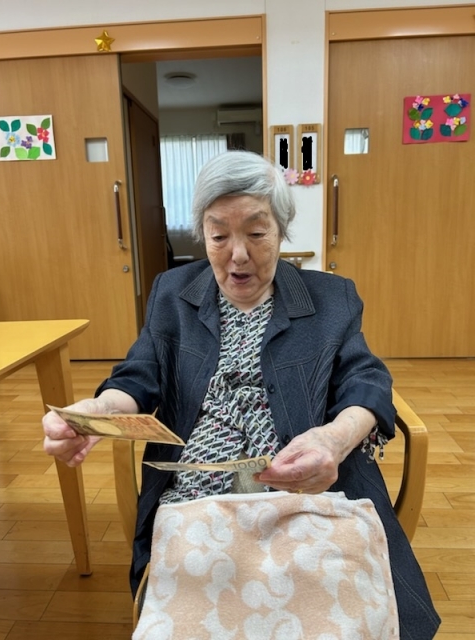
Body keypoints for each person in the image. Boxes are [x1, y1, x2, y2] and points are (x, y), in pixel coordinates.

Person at [43, 150, 440, 639]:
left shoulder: (331, 299)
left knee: (332, 613)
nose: (237, 255)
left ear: (281, 230)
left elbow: (367, 380)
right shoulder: (172, 294)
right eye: (219, 236)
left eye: (256, 233)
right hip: (197, 499)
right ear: (202, 234)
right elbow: (138, 377)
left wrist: (335, 439)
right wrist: (96, 411)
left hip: (308, 489)